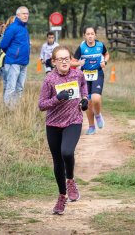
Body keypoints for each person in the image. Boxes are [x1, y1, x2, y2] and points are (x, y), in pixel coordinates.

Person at [38, 46, 89, 215]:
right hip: (53, 124)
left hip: (73, 120)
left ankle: (71, 180)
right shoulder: (49, 79)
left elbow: (83, 88)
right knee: (57, 161)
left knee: (67, 152)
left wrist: (85, 100)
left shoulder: (78, 74)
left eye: (67, 58)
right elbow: (41, 105)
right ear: (54, 62)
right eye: (61, 59)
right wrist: (57, 99)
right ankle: (61, 196)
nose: (65, 62)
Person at [71, 26, 110, 135]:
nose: (90, 36)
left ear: (95, 35)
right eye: (88, 34)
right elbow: (72, 62)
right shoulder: (81, 48)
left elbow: (106, 54)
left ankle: (97, 115)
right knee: (87, 102)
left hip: (98, 74)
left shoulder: (100, 46)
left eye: (92, 34)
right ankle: (91, 126)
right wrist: (79, 63)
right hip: (84, 77)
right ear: (84, 36)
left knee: (96, 99)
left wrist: (104, 62)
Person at [0, 6, 30, 108]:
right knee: (11, 87)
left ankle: (15, 108)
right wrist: (13, 53)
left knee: (20, 87)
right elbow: (3, 45)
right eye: (23, 13)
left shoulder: (24, 28)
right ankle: (8, 109)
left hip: (23, 62)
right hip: (13, 62)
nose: (26, 15)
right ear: (18, 15)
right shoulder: (12, 28)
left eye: (27, 13)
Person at [0, 16, 16, 88]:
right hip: (0, 58)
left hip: (9, 58)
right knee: (1, 74)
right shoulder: (6, 34)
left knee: (5, 75)